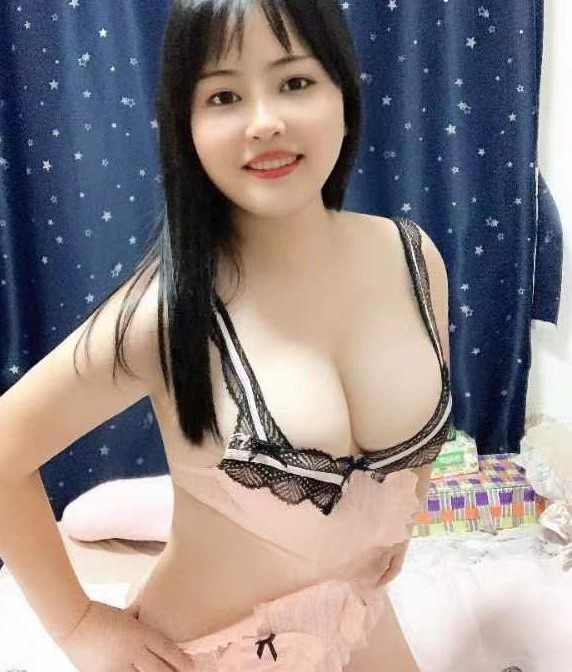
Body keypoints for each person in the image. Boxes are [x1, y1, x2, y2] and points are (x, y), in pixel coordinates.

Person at [0, 0, 452, 670]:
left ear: (342, 92)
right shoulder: (166, 309)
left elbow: (416, 439)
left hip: (358, 614)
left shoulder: (413, 258)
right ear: (186, 124)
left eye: (295, 81)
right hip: (207, 650)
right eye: (223, 96)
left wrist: (393, 525)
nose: (264, 122)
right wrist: (77, 624)